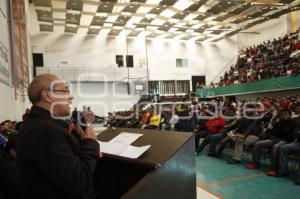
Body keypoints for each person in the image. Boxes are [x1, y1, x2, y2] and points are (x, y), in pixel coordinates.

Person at [17, 74, 100, 199]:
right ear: (47, 96)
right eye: (65, 91)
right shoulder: (47, 131)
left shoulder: (36, 124)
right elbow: (77, 181)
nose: (71, 97)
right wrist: (90, 143)